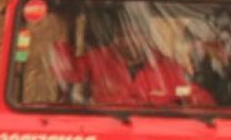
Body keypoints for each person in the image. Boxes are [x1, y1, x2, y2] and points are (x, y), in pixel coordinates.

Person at [55, 29, 214, 108]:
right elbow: (68, 72)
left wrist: (197, 101)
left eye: (135, 36)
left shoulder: (168, 68)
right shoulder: (99, 59)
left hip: (153, 136)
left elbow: (195, 95)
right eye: (123, 36)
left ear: (145, 39)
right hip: (105, 128)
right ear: (116, 39)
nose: (128, 42)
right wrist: (61, 32)